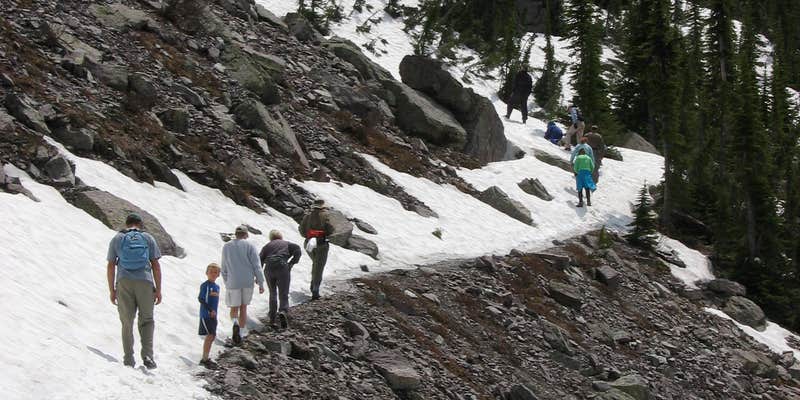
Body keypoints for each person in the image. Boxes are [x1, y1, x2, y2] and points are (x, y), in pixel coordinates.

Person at [106, 212, 162, 369]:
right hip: (144, 281)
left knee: (126, 321)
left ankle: (129, 359)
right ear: (140, 224)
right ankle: (148, 356)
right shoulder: (148, 238)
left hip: (124, 281)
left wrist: (112, 289)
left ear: (127, 223)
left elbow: (111, 265)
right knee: (147, 320)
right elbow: (156, 266)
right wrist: (158, 289)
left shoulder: (118, 238)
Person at [220, 225, 264, 345]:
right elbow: (256, 265)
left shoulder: (227, 246)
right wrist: (261, 282)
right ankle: (241, 333)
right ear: (246, 234)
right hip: (247, 281)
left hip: (233, 281)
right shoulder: (250, 246)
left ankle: (235, 323)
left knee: (234, 307)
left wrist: (226, 281)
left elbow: (223, 267)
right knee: (243, 306)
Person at [259, 230, 302, 329]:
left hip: (269, 268)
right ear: (281, 237)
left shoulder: (267, 246)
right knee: (283, 292)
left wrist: (258, 275)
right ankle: (283, 311)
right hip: (282, 266)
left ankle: (272, 319)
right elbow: (298, 250)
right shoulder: (287, 244)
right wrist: (292, 262)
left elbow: (259, 259)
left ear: (271, 238)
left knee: (272, 293)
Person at [298, 199, 335, 300]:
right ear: (322, 207)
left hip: (309, 243)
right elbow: (331, 229)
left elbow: (301, 230)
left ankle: (313, 285)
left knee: (315, 264)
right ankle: (315, 289)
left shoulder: (307, 215)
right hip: (321, 244)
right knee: (319, 267)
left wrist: (309, 236)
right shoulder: (326, 215)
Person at [198, 263, 221, 369]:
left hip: (213, 316)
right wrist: (210, 310)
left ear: (218, 274)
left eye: (215, 272)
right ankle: (204, 359)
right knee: (210, 335)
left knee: (212, 336)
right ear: (207, 273)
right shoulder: (205, 285)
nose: (213, 274)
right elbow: (201, 298)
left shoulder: (217, 287)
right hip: (206, 314)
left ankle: (206, 358)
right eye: (211, 272)